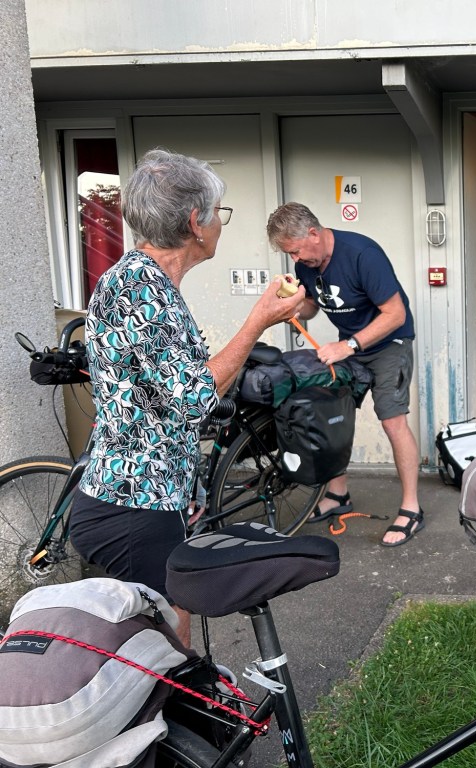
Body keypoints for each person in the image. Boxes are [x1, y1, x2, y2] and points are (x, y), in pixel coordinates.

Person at [69, 149, 307, 648]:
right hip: (132, 503)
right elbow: (195, 397)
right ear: (196, 223)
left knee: (169, 627)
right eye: (219, 213)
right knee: (168, 639)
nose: (221, 224)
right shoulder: (140, 289)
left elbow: (168, 398)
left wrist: (190, 487)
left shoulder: (150, 282)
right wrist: (259, 320)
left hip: (152, 494)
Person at [266, 202, 423, 547]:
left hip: (388, 344)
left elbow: (395, 314)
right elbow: (312, 307)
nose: (294, 259)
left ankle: (411, 508)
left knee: (392, 420)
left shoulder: (362, 254)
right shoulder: (307, 263)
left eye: (295, 251)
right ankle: (338, 495)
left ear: (313, 233)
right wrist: (293, 303)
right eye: (289, 254)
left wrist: (348, 345)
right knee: (330, 413)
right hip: (350, 346)